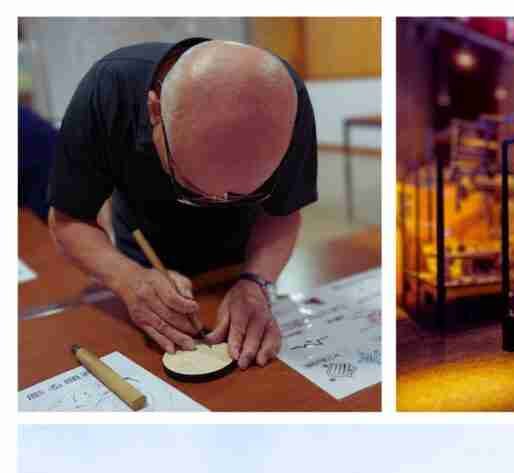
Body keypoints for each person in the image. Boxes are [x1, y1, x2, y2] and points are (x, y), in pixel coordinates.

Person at [48, 38, 318, 369]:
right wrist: (127, 279)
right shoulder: (109, 89)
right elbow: (68, 220)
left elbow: (283, 212)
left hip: (243, 258)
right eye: (190, 187)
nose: (212, 205)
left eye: (245, 191)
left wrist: (256, 282)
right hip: (142, 256)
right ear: (154, 112)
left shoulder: (284, 98)